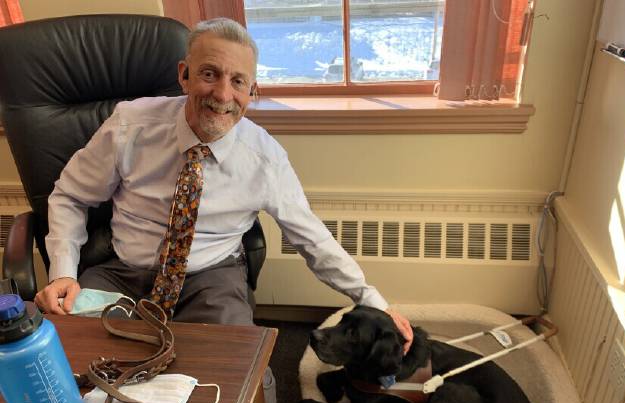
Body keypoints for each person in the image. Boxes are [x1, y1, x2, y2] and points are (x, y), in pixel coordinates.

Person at [34, 17, 413, 352]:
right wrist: (64, 272)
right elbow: (70, 196)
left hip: (210, 277)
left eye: (238, 82)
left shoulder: (265, 158)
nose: (222, 95)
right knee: (66, 358)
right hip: (122, 272)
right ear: (184, 75)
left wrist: (372, 300)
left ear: (252, 91)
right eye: (209, 74)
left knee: (241, 378)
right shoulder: (129, 126)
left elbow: (311, 237)